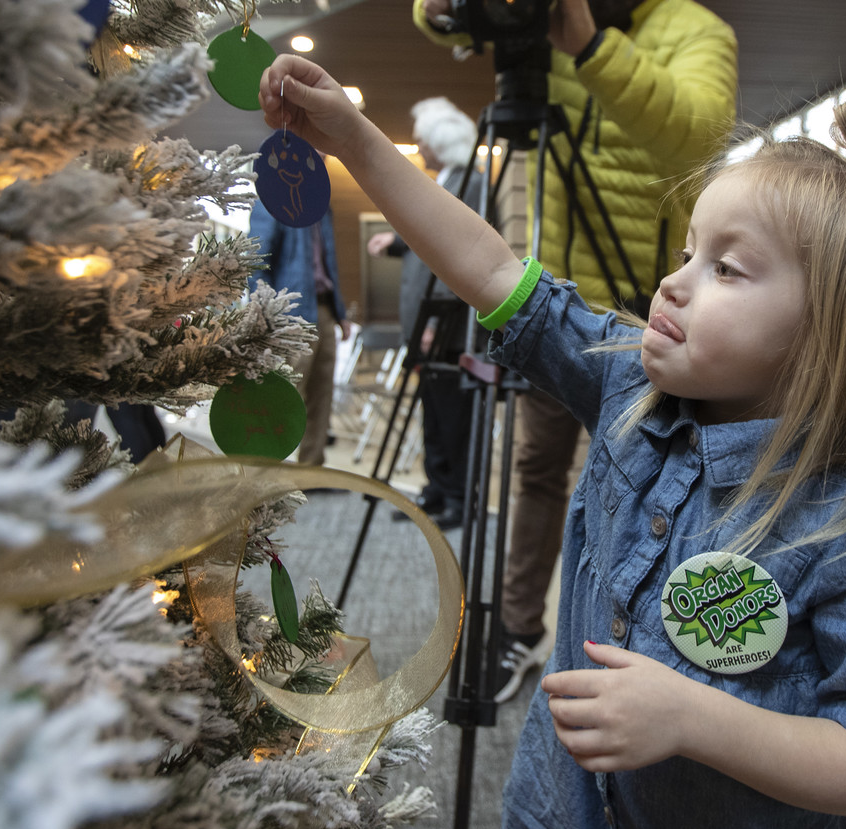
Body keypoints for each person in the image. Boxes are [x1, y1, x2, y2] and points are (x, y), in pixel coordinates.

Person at [257, 53, 846, 829]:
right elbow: (495, 266)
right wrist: (354, 139)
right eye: (685, 254)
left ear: (832, 337)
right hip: (556, 821)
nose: (672, 285)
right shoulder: (628, 384)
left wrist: (692, 718)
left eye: (724, 268)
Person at [415, 0, 738, 701]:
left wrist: (592, 50)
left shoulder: (696, 30)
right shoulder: (546, 26)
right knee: (535, 470)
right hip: (557, 309)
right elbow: (464, 17)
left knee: (646, 484)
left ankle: (641, 646)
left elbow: (696, 135)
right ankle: (521, 626)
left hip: (648, 316)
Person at [368, 96, 485, 530]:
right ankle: (437, 490)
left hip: (449, 327)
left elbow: (458, 254)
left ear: (442, 141)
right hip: (431, 325)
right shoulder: (448, 179)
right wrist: (396, 243)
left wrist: (436, 322)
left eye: (423, 141)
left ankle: (457, 497)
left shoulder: (469, 183)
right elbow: (428, 239)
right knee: (433, 412)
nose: (418, 147)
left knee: (453, 416)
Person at [246, 197, 353, 467]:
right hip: (289, 312)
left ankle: (311, 470)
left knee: (322, 394)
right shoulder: (274, 200)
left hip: (324, 308)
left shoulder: (323, 205)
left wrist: (340, 312)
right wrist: (267, 314)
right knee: (284, 394)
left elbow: (328, 261)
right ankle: (265, 474)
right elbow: (256, 261)